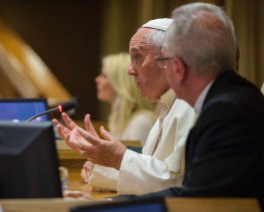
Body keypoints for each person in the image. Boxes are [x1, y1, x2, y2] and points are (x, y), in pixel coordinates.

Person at [118, 2, 264, 199]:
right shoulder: (236, 97)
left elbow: (198, 201)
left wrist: (107, 207)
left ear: (177, 68)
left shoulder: (227, 111)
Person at [53, 19, 197, 195]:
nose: (130, 70)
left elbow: (177, 185)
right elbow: (152, 176)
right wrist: (100, 159)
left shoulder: (191, 106)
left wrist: (119, 158)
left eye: (138, 57)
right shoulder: (168, 104)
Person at [80, 52, 156, 183]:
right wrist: (92, 169)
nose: (97, 79)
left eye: (104, 76)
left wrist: (97, 172)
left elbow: (137, 173)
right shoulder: (117, 120)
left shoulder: (141, 122)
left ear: (119, 82)